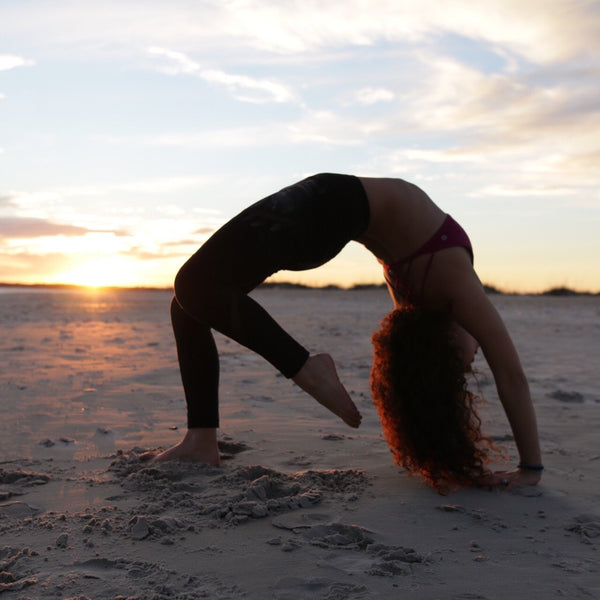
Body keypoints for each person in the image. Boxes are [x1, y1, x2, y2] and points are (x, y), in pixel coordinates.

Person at [144, 173, 543, 492]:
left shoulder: (443, 296)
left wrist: (529, 471)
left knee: (193, 288)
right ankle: (202, 439)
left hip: (329, 208)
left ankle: (303, 371)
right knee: (190, 300)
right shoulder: (449, 293)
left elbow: (508, 373)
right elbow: (510, 373)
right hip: (332, 213)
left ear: (438, 341)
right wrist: (530, 465)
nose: (470, 362)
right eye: (465, 365)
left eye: (455, 367)